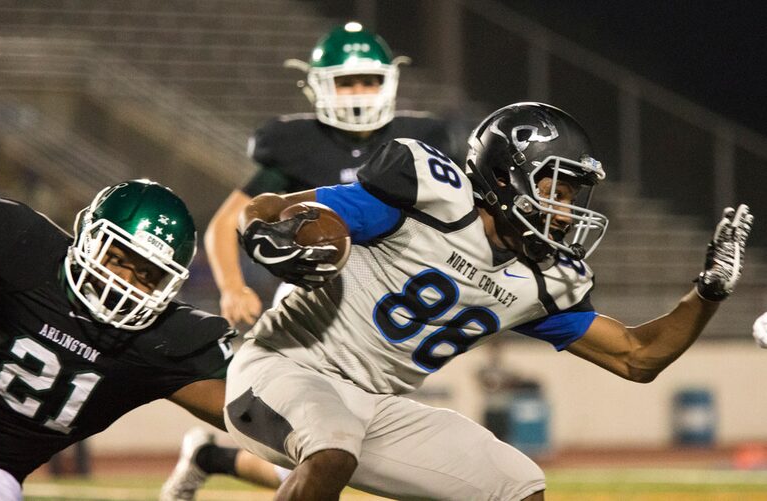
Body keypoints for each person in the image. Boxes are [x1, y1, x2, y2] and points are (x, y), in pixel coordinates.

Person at [223, 102, 753, 501]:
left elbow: (638, 357)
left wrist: (707, 292)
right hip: (283, 368)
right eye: (558, 191)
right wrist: (270, 234)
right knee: (330, 448)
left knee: (517, 484)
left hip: (376, 406)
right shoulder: (430, 196)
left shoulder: (543, 279)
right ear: (504, 174)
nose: (565, 214)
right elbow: (273, 208)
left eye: (573, 198)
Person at [160, 20, 459, 500]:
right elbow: (225, 223)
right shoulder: (296, 144)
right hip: (313, 305)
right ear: (319, 85)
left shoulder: (419, 143)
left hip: (383, 311)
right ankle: (212, 454)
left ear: (390, 82)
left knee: (344, 452)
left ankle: (209, 457)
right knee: (323, 449)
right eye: (346, 81)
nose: (358, 92)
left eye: (368, 80)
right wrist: (232, 286)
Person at [0, 179, 239, 500]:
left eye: (147, 274)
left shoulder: (161, 342)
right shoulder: (31, 260)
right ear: (89, 237)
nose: (123, 281)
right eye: (119, 258)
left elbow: (247, 415)